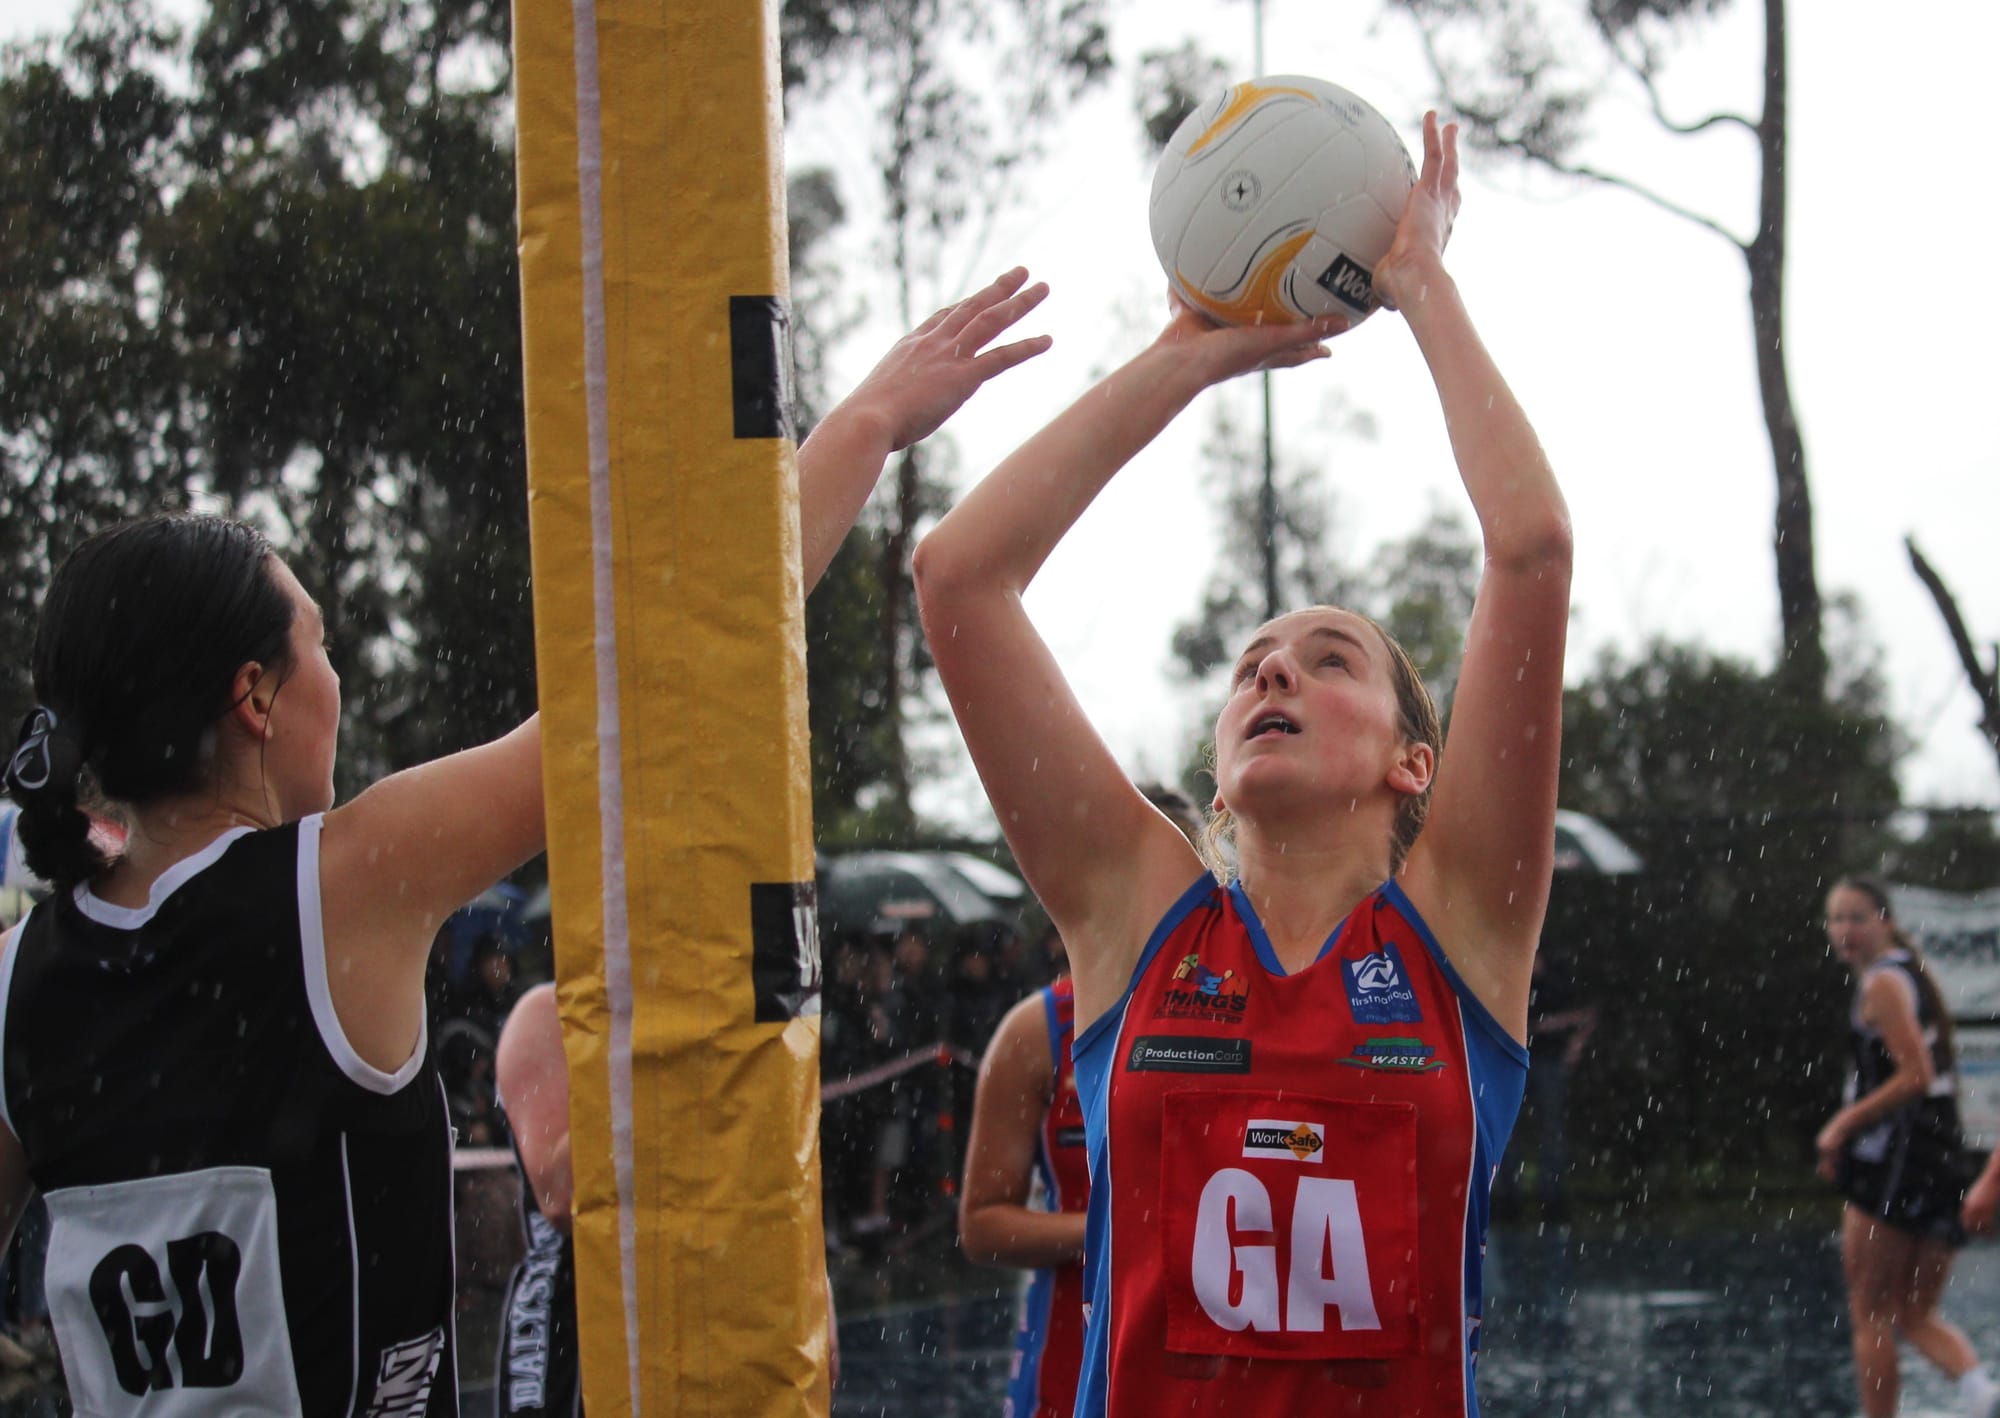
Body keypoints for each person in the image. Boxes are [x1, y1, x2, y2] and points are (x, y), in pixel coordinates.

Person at [914, 114, 1569, 1416]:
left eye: (1330, 660)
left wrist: (1422, 286)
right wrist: (1183, 356)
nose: (1273, 671)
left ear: (1411, 760)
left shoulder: (1460, 937)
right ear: (1217, 775)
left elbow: (1531, 548)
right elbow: (958, 576)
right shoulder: (1136, 919)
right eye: (1252, 663)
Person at [486, 271, 1053, 1413]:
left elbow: (760, 1181)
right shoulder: (555, 1010)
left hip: (739, 1330)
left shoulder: (746, 995)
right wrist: (868, 424)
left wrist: (804, 1304)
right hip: (588, 1349)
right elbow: (562, 1185)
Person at [0, 513, 545, 1414]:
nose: (336, 676)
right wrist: (869, 415)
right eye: (320, 643)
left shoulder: (21, 981)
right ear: (255, 696)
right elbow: (652, 669)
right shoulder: (342, 887)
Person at [961, 785, 1203, 1418]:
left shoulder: (1245, 1011)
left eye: (1185, 879)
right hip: (1071, 1367)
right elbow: (983, 1224)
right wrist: (1122, 1234)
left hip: (1214, 1362)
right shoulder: (1034, 1031)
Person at [1817, 875, 2000, 1418]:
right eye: (1836, 919)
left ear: (1886, 922)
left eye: (1857, 917)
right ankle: (1980, 1394)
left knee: (1868, 1312)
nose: (1845, 930)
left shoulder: (1883, 986)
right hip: (1938, 1156)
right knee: (1914, 1312)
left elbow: (1914, 1076)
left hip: (1899, 1162)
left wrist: (1841, 1126)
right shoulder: (1907, 980)